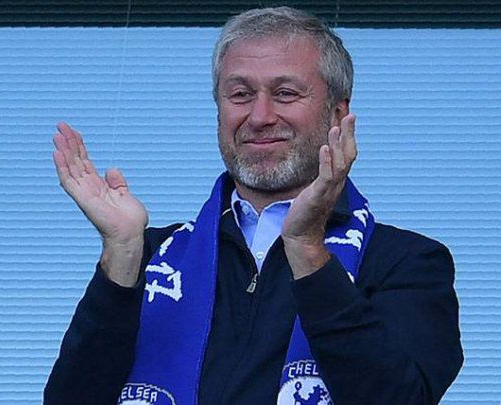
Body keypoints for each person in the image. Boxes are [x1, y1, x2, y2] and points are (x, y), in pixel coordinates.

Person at [44, 6, 463, 405]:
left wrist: (308, 251)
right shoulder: (148, 258)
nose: (260, 116)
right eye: (241, 94)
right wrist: (121, 255)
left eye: (285, 93)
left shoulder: (406, 262)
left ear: (337, 115)